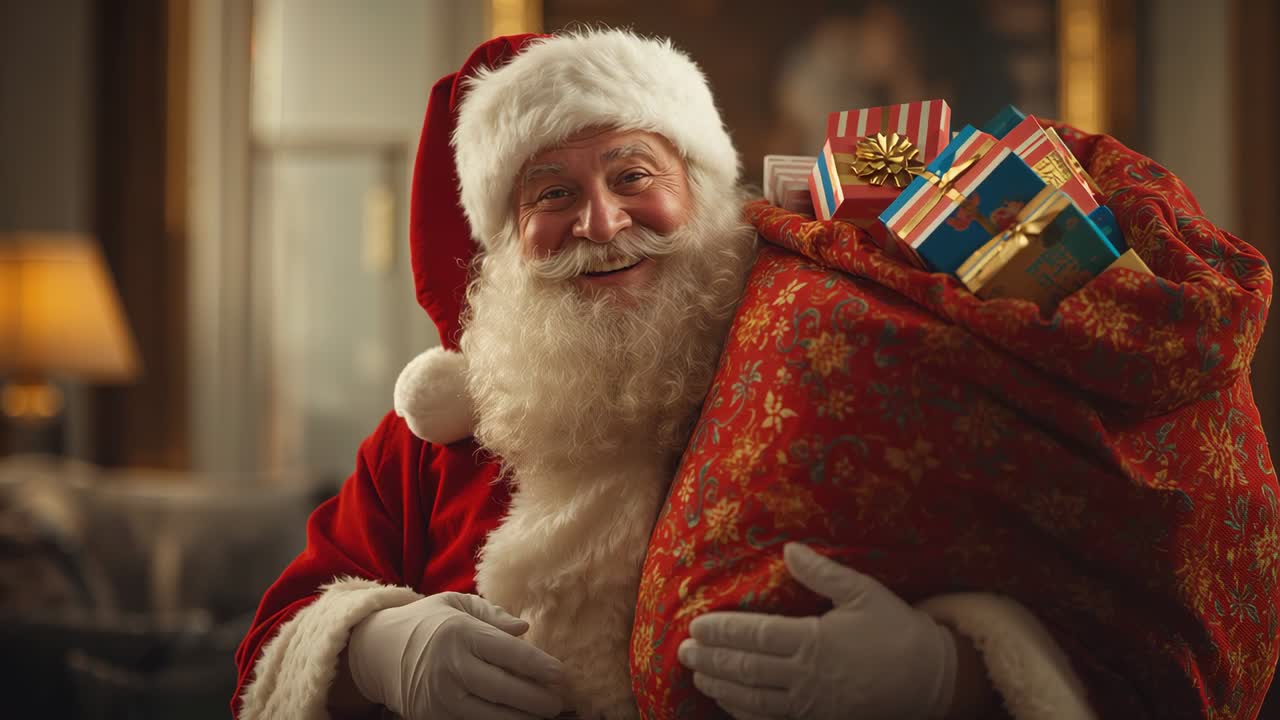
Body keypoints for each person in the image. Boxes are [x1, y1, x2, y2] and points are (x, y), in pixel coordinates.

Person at [234, 30, 1099, 720]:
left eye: (633, 174)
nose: (602, 224)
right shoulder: (427, 443)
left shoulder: (844, 363)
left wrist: (940, 673)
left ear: (705, 190)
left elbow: (1095, 620)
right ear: (504, 239)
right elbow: (267, 657)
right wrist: (378, 650)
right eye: (551, 194)